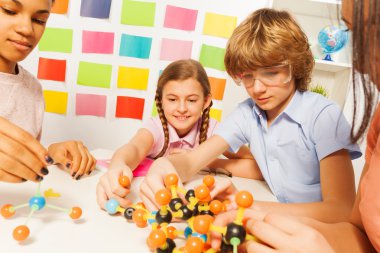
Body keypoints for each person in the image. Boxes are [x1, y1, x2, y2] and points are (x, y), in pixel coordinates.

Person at [139, 7, 361, 224]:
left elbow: (341, 209)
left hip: (322, 231)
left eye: (271, 73)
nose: (257, 88)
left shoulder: (323, 116)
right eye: (247, 76)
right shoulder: (247, 113)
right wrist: (163, 166)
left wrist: (249, 207)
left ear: (295, 66)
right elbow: (191, 160)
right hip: (277, 220)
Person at [211, 0, 380, 252]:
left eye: (370, 32)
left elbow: (340, 209)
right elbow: (357, 234)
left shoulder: (322, 114)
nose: (360, 63)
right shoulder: (378, 121)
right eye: (352, 32)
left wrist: (256, 209)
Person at [96, 59, 260, 209]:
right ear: (160, 101)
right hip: (152, 200)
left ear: (206, 101)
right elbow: (135, 148)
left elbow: (255, 167)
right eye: (173, 99)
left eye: (191, 100)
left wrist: (205, 161)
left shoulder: (214, 130)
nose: (182, 108)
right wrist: (118, 164)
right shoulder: (156, 127)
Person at [0, 0, 96, 183]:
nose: (27, 29)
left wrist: (50, 154)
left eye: (39, 20)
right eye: (9, 11)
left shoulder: (33, 89)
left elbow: (18, 170)